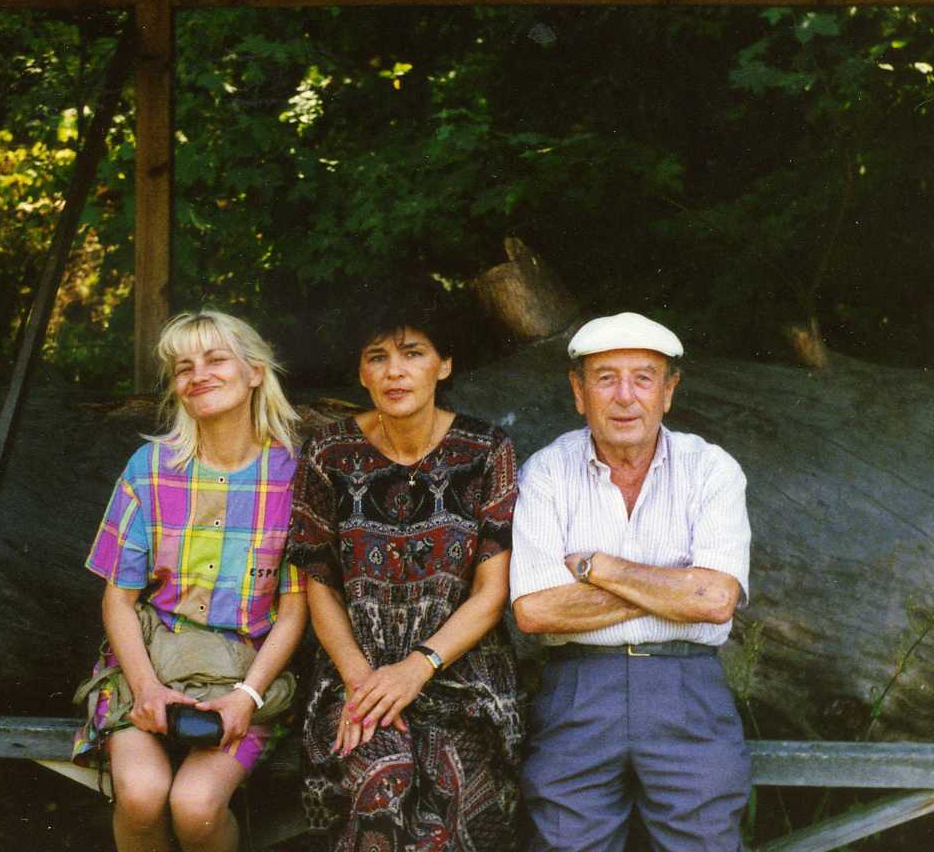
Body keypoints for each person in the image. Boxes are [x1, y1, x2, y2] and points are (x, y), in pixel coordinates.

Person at [287, 289, 523, 851]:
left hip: (461, 677)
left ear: (444, 364)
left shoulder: (487, 451)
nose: (395, 372)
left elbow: (493, 592)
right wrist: (361, 680)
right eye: (377, 357)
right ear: (361, 373)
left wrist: (418, 668)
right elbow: (315, 577)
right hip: (357, 676)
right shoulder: (329, 453)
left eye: (413, 353)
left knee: (453, 801)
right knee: (382, 786)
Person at [510, 311, 752, 852]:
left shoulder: (711, 470)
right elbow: (536, 613)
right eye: (605, 378)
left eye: (643, 378)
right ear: (578, 391)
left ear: (669, 391)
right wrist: (675, 589)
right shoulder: (546, 472)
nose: (625, 396)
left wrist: (602, 567)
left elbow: (716, 601)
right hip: (578, 688)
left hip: (687, 686)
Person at [71, 310, 309, 852]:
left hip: (246, 674)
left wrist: (247, 697)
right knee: (141, 794)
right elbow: (118, 598)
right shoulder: (150, 467)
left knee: (196, 807)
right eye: (184, 366)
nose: (198, 373)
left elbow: (295, 610)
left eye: (216, 359)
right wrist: (148, 688)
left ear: (254, 372)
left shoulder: (294, 475)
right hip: (146, 665)